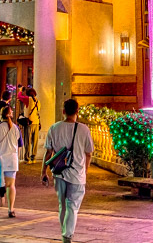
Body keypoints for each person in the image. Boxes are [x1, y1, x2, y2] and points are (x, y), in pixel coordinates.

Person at [42, 98, 94, 243]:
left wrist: (43, 172)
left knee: (62, 205)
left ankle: (64, 232)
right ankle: (67, 235)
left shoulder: (54, 128)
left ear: (63, 111)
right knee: (73, 205)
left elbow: (48, 153)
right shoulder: (84, 129)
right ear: (77, 111)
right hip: (77, 173)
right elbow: (89, 152)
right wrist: (86, 170)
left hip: (59, 172)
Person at [0, 103, 22, 218]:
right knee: (11, 185)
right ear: (10, 114)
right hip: (12, 159)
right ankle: (11, 209)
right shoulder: (16, 128)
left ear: (1, 115)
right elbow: (19, 145)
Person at [20, 86, 39, 162]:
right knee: (35, 141)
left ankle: (27, 158)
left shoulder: (28, 99)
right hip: (36, 122)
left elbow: (19, 97)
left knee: (27, 140)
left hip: (29, 123)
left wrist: (20, 90)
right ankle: (33, 157)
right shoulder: (38, 101)